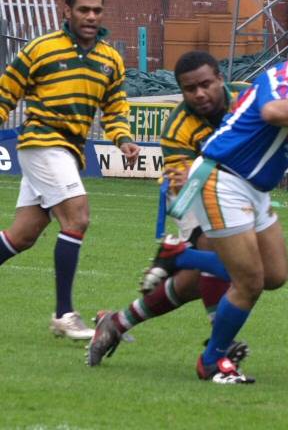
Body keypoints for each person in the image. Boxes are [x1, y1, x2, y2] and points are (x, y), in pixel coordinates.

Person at [170, 28, 288, 384]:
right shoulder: (286, 75)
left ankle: (177, 257)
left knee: (275, 275)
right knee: (249, 282)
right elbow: (271, 111)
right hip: (223, 178)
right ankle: (212, 361)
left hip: (254, 189)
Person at [86, 51, 248, 367]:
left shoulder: (247, 97)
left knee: (189, 284)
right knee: (215, 246)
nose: (199, 94)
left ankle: (117, 322)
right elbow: (185, 187)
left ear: (219, 78)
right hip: (191, 195)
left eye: (205, 84)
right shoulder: (177, 129)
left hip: (238, 193)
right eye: (190, 89)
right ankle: (221, 344)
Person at [0, 0, 140, 339]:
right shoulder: (41, 49)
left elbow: (115, 107)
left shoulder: (110, 58)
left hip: (68, 150)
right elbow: (6, 93)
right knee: (77, 216)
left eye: (97, 10)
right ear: (67, 11)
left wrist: (122, 138)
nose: (91, 16)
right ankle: (64, 314)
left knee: (23, 235)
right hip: (43, 140)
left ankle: (63, 313)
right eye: (83, 10)